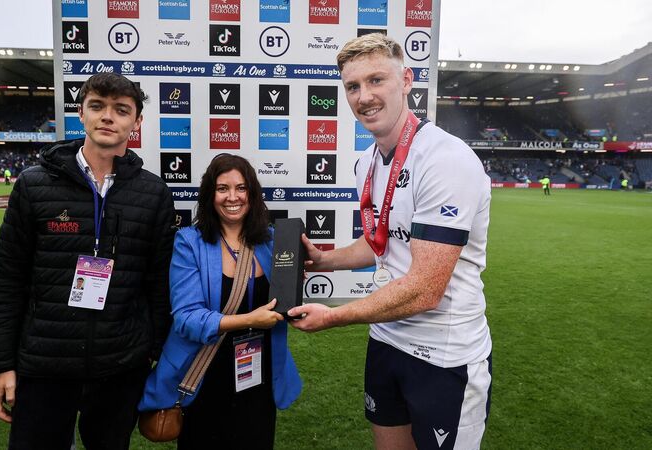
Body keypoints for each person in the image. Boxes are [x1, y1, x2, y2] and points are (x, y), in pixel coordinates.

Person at [288, 33, 492, 449]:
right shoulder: (366, 161)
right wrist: (324, 260)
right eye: (353, 86)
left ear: (407, 80)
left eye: (376, 80)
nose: (364, 96)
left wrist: (334, 317)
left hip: (443, 354)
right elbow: (381, 241)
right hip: (386, 341)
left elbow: (425, 288)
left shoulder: (444, 159)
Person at [0, 72, 176, 450]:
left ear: (137, 122)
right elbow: (7, 279)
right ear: (81, 113)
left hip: (120, 365)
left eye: (121, 110)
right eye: (97, 106)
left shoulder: (153, 192)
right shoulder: (34, 184)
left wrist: (156, 355)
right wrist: (2, 365)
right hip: (44, 363)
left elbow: (159, 284)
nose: (108, 116)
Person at [138, 154, 302, 450]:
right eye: (222, 188)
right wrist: (249, 320)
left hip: (258, 374)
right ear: (209, 195)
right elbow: (186, 318)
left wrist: (294, 292)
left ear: (252, 193)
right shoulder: (189, 242)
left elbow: (284, 302)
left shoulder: (273, 241)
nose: (232, 197)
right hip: (205, 373)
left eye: (241, 188)